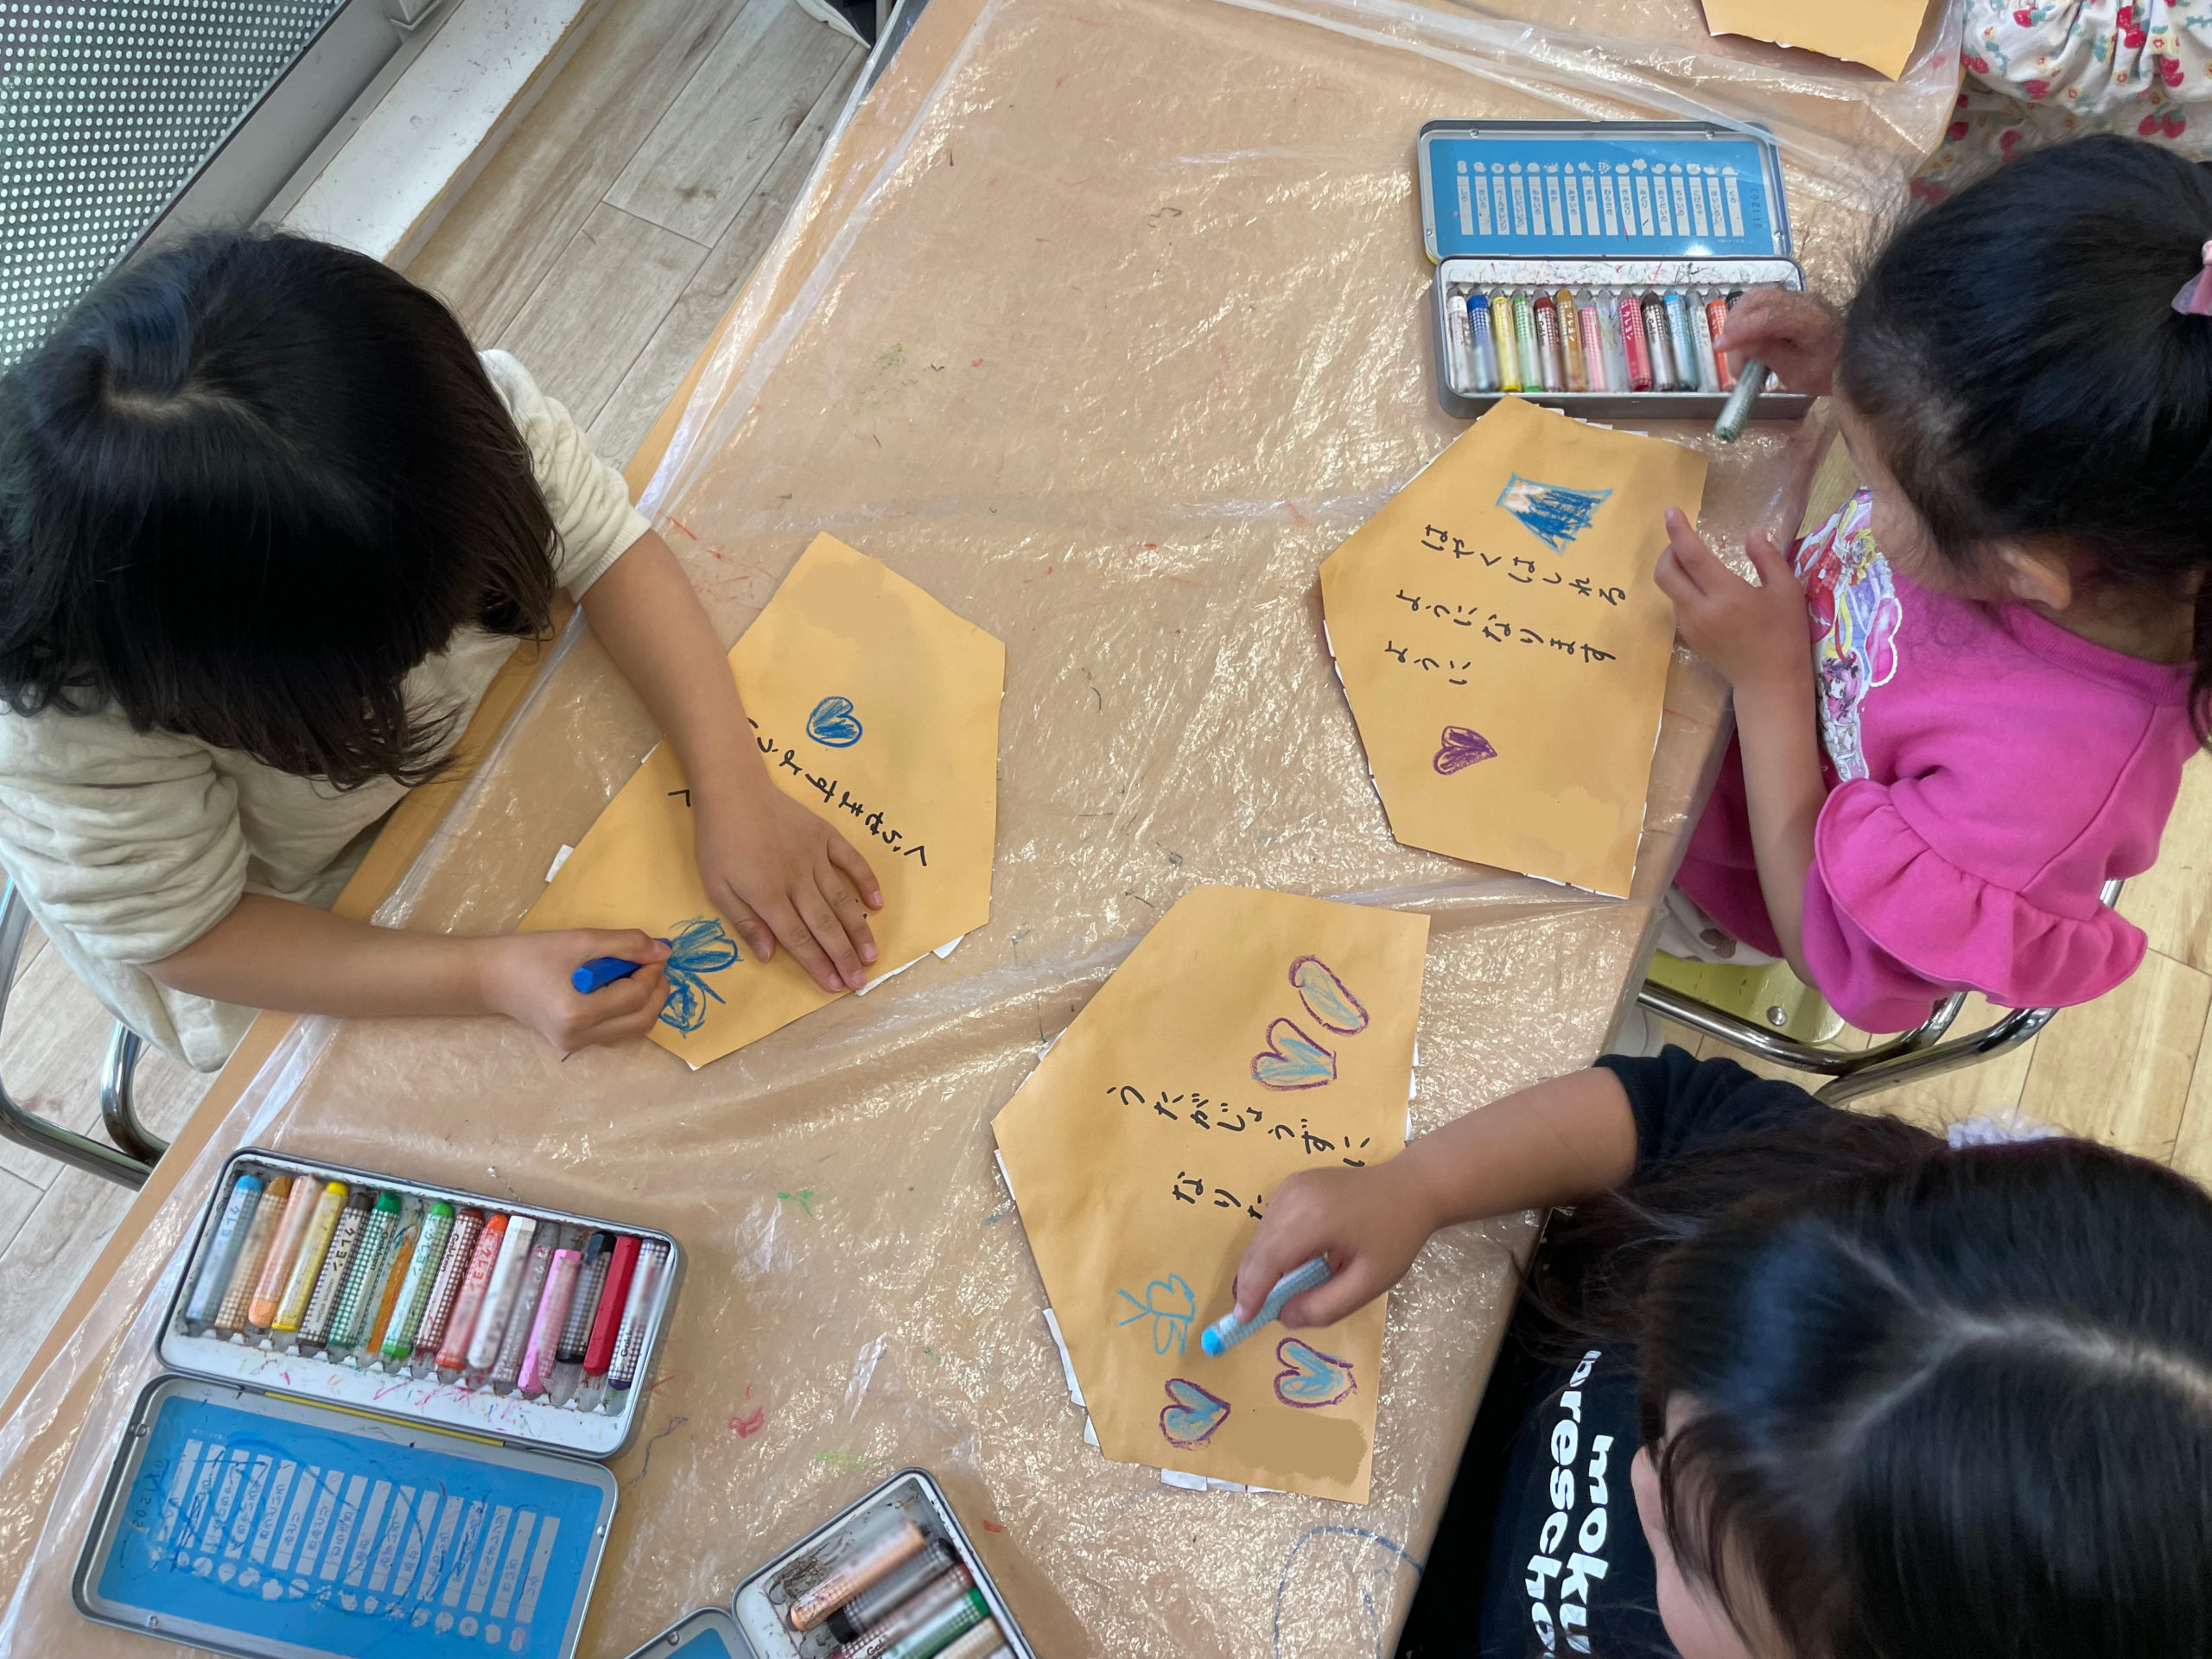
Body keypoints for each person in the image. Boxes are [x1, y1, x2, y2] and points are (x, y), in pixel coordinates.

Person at [0, 232, 885, 1069]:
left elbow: (606, 543)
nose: (441, 642)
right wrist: (487, 977)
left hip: (489, 764)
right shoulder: (67, 731)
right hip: (309, 922)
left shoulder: (426, 425)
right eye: (404, 647)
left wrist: (733, 783)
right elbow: (196, 936)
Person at [1230, 1046, 2212, 1658]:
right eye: (1662, 1408)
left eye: (1686, 1551)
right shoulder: (1854, 1227)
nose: (1639, 1474)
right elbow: (1668, 1109)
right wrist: (1419, 1187)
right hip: (1417, 1394)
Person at [1652, 136, 2211, 1032]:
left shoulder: (2032, 801)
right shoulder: (2088, 508)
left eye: (1877, 482)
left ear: (2019, 572)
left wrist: (1769, 683)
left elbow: (1829, 958)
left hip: (1737, 863)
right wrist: (1863, 372)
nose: (1867, 497)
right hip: (1729, 690)